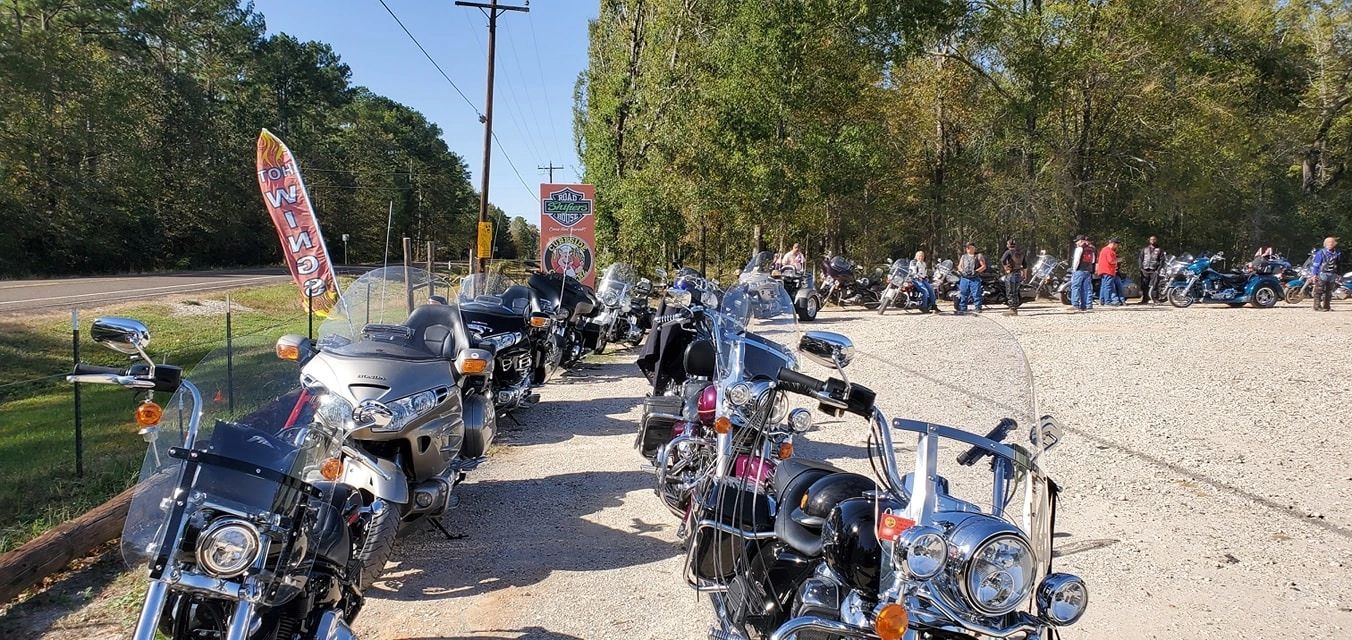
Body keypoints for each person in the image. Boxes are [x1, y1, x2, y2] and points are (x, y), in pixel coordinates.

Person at [955, 242, 987, 315]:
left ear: (973, 248)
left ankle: (978, 307)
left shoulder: (978, 256)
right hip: (965, 278)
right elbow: (959, 266)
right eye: (967, 247)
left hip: (974, 278)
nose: (967, 249)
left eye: (969, 247)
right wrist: (962, 271)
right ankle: (963, 308)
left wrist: (976, 271)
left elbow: (984, 266)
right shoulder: (963, 256)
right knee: (963, 293)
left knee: (976, 293)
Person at [1312, 236, 1341, 312]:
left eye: (1332, 242)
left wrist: (1338, 274)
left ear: (1334, 244)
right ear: (1325, 244)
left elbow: (1338, 264)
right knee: (1319, 290)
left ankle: (1327, 306)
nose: (1330, 244)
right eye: (1328, 242)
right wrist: (1314, 275)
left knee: (1329, 291)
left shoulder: (1337, 253)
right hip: (1322, 273)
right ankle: (1317, 306)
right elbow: (1316, 265)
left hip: (1332, 274)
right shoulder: (1320, 252)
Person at [1000, 240, 1026, 315]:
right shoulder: (1021, 253)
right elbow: (1025, 264)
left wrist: (1006, 268)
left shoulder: (1008, 252)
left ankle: (1012, 309)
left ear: (1008, 245)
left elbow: (1002, 260)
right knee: (1015, 292)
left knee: (1010, 291)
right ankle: (1015, 308)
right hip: (1018, 273)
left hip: (1011, 273)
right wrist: (1024, 274)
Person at [1069, 235, 1096, 312]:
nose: (1076, 243)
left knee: (1076, 287)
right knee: (1086, 289)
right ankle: (1085, 305)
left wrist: (1074, 270)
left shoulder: (1079, 249)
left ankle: (1075, 304)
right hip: (1088, 271)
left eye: (1077, 241)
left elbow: (1076, 260)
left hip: (1079, 270)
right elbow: (1093, 261)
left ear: (1080, 241)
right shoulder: (1091, 249)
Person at [1096, 238, 1124, 306]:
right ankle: (1107, 301)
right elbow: (1111, 261)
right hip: (1108, 270)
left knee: (1103, 286)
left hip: (1103, 270)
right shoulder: (1109, 251)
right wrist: (1118, 260)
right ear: (1113, 244)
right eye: (1117, 245)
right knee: (1108, 286)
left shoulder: (1103, 249)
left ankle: (1102, 300)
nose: (1117, 246)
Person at [1139, 236, 1164, 304]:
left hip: (1154, 270)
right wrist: (1141, 268)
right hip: (1145, 269)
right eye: (1151, 239)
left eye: (1154, 239)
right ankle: (1145, 299)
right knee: (1144, 285)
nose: (1152, 240)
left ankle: (1155, 299)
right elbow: (1140, 258)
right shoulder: (1144, 249)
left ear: (1156, 240)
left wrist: (1158, 270)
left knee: (1155, 285)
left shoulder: (1160, 250)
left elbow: (1162, 261)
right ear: (1149, 240)